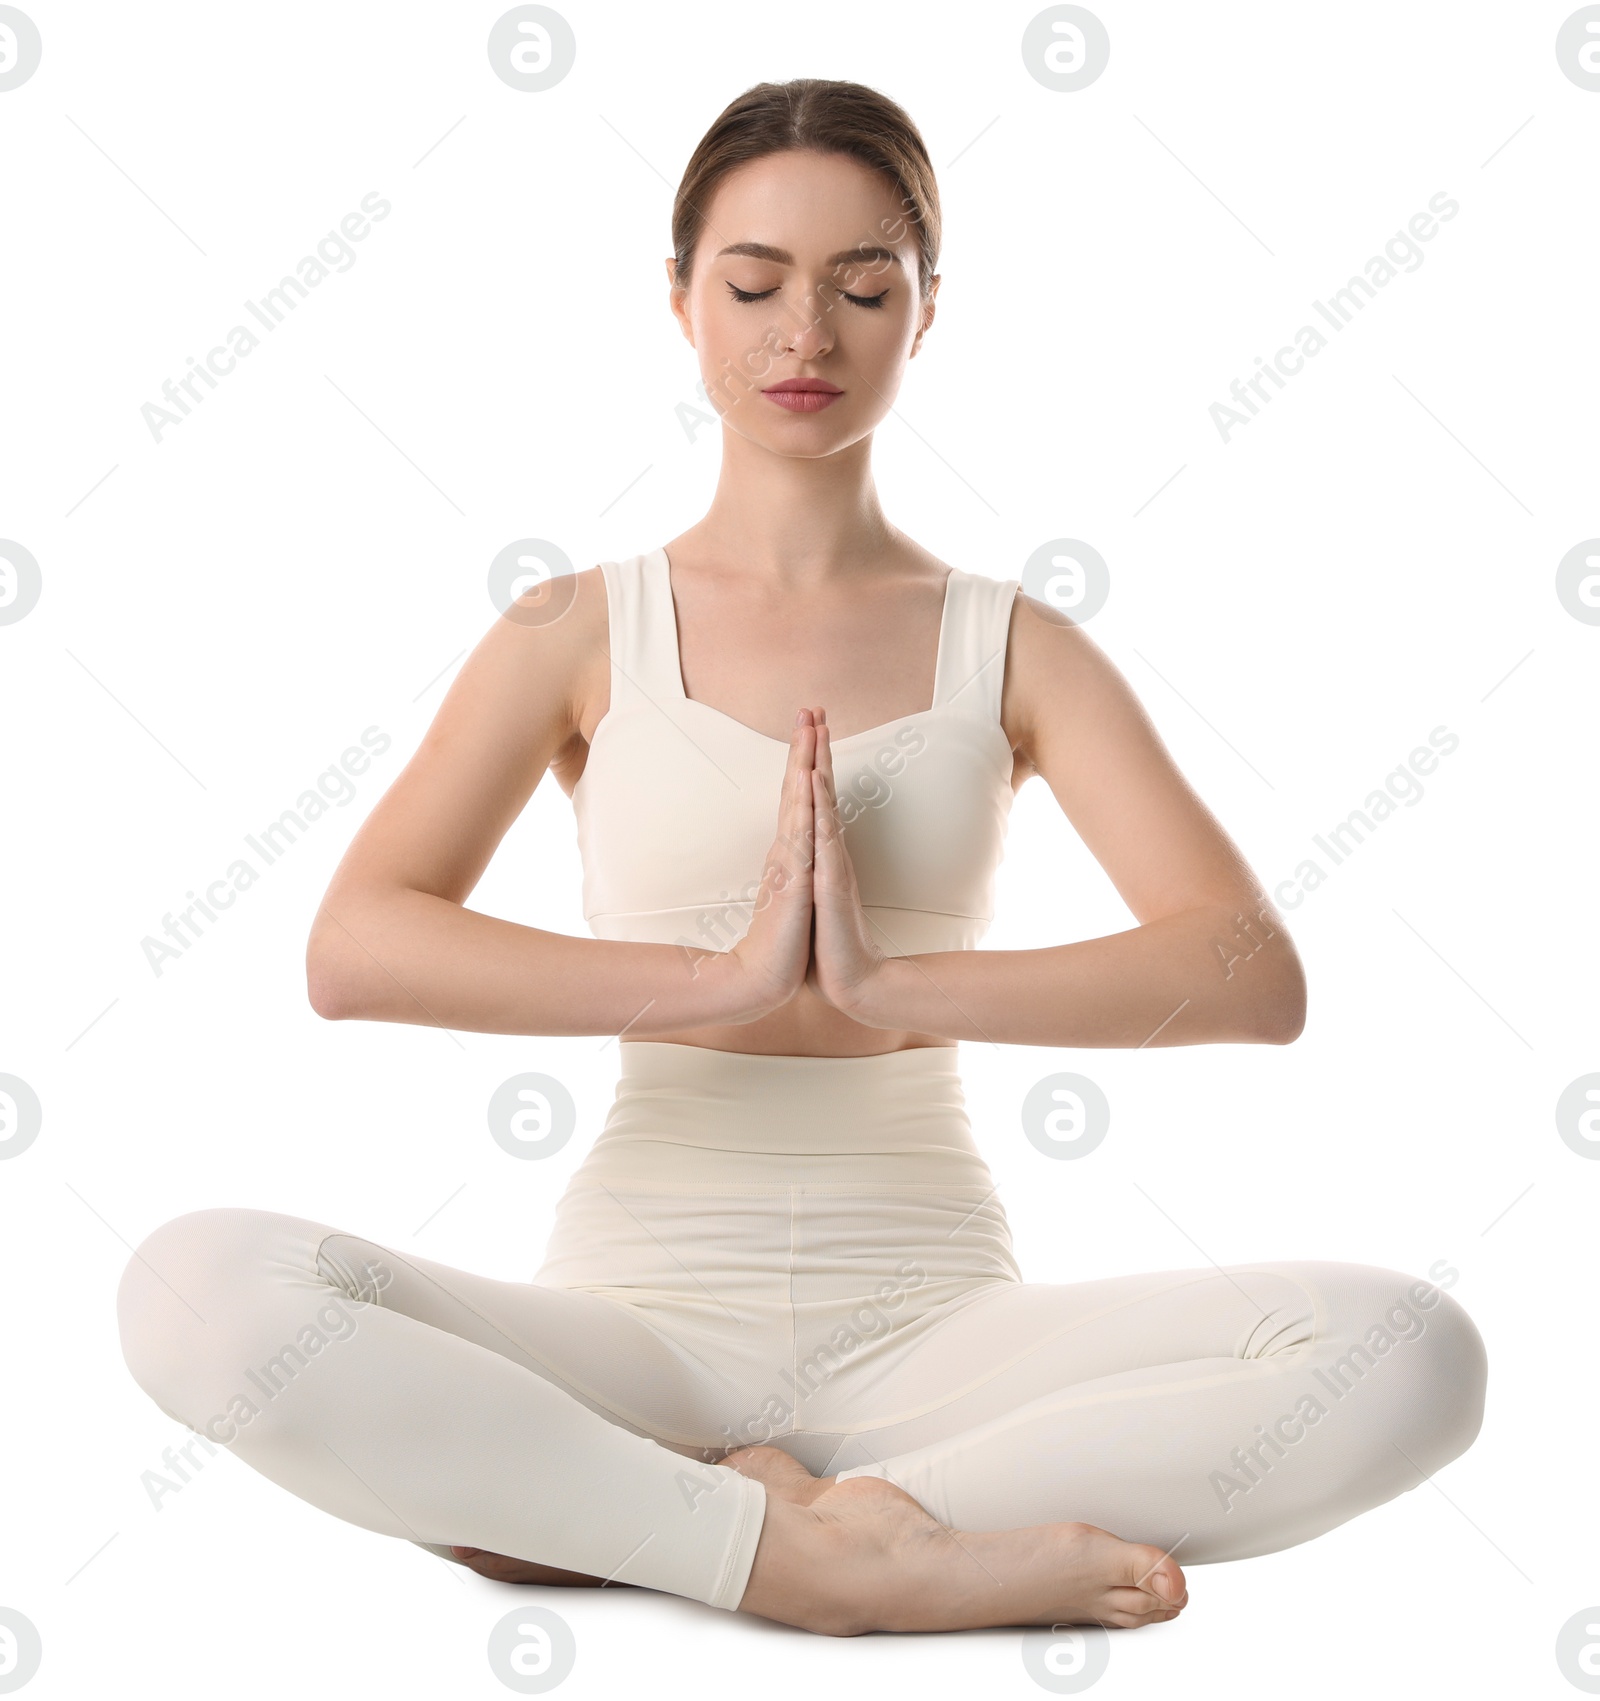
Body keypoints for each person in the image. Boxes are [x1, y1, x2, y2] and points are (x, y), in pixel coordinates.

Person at [117, 77, 1486, 1638]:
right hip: (634, 1325)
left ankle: (670, 1512)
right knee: (191, 1286)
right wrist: (718, 981)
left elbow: (1250, 973)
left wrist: (893, 982)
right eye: (756, 284)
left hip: (941, 1337)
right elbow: (356, 945)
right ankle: (822, 1553)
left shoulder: (1014, 644)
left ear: (926, 310)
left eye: (863, 285)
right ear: (682, 299)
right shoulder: (575, 627)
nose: (805, 336)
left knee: (1413, 1352)